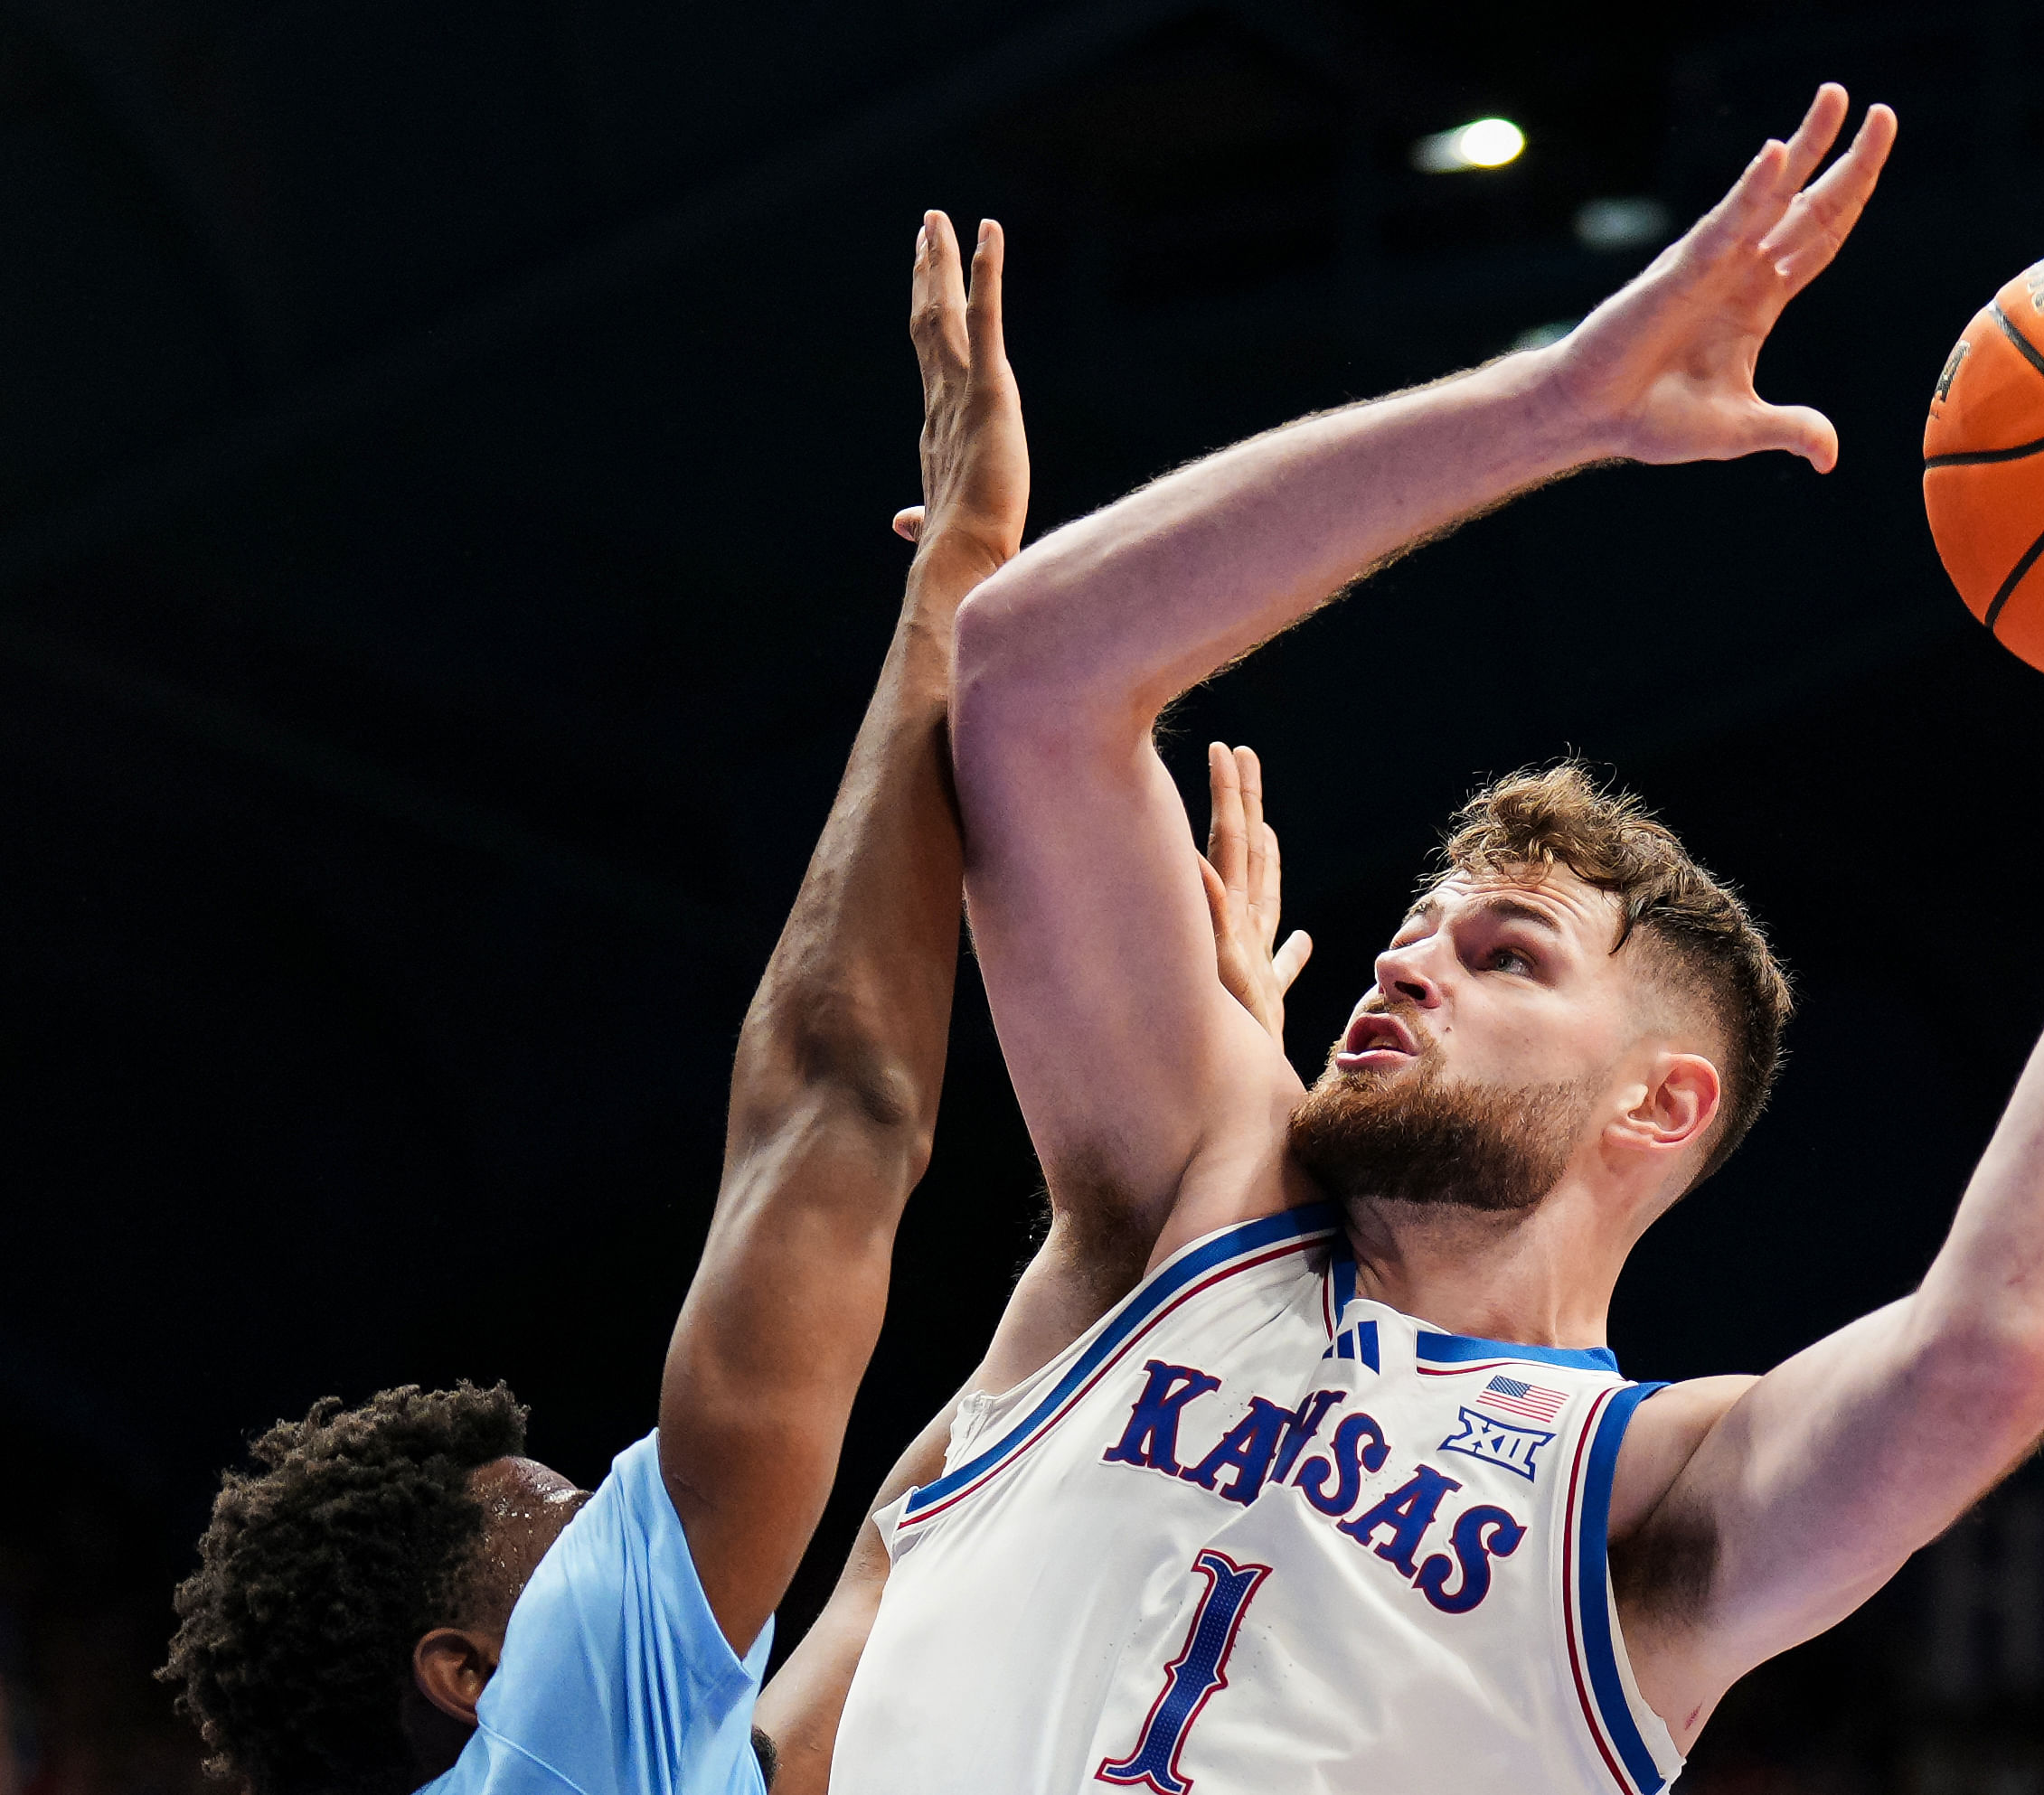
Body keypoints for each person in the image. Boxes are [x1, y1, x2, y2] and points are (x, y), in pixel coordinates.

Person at [832, 82, 2044, 1795]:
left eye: (1505, 954)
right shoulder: (1187, 1209)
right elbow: (1031, 674)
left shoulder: (1636, 1503)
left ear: (1657, 1104)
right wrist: (1557, 402)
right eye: (1418, 931)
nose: (1400, 963)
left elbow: (1995, 1345)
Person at [156, 211, 1306, 1795]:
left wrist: (1230, 1122)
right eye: (564, 1511)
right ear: (468, 1669)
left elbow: (935, 1509)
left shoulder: (650, 1761)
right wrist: (959, 575)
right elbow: (839, 1101)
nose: (627, 1504)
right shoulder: (561, 1731)